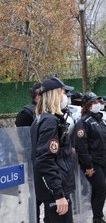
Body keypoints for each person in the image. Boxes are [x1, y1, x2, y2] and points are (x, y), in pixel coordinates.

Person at [30, 76, 75, 223]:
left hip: (54, 190)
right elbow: (45, 160)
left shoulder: (43, 118)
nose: (65, 96)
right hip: (55, 192)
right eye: (63, 92)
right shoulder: (49, 121)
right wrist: (58, 194)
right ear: (54, 94)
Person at [73, 92, 106, 223]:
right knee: (102, 190)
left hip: (102, 161)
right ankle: (98, 217)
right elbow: (81, 146)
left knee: (97, 190)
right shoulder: (83, 122)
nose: (97, 104)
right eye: (94, 102)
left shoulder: (100, 120)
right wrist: (88, 165)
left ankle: (97, 218)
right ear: (87, 105)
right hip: (92, 163)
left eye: (98, 102)